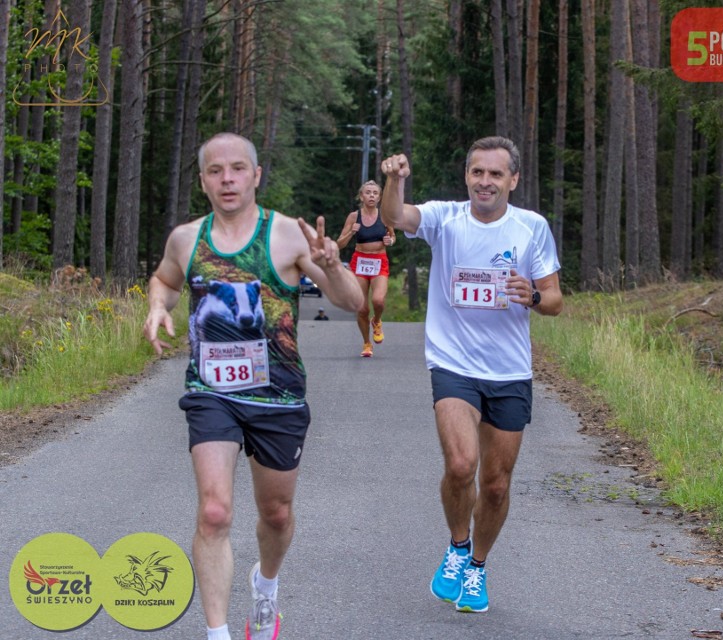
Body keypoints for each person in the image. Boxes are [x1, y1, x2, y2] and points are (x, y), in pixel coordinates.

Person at [143, 132, 363, 640]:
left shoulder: (288, 236)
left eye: (238, 169)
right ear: (202, 180)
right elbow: (167, 280)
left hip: (278, 398)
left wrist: (332, 266)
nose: (227, 179)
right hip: (211, 393)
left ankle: (265, 586)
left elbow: (352, 302)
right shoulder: (186, 238)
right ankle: (217, 633)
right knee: (215, 511)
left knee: (276, 514)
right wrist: (158, 305)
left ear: (256, 175)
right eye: (216, 171)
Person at [379, 136, 563, 613]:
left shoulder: (532, 228)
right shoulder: (446, 218)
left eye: (496, 174)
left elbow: (556, 299)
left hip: (509, 370)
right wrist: (394, 180)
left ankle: (478, 568)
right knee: (462, 466)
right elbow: (396, 218)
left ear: (513, 181)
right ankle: (458, 548)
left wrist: (534, 297)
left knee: (497, 485)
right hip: (453, 363)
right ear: (467, 176)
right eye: (478, 172)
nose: (485, 182)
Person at [336, 180, 396, 357]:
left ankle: (376, 321)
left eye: (375, 193)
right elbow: (339, 244)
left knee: (378, 301)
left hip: (379, 261)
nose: (371, 195)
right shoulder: (354, 217)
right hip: (360, 262)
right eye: (368, 192)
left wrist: (390, 241)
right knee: (361, 308)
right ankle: (367, 343)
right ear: (361, 196)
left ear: (379, 197)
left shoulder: (385, 216)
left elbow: (392, 237)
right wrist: (351, 232)